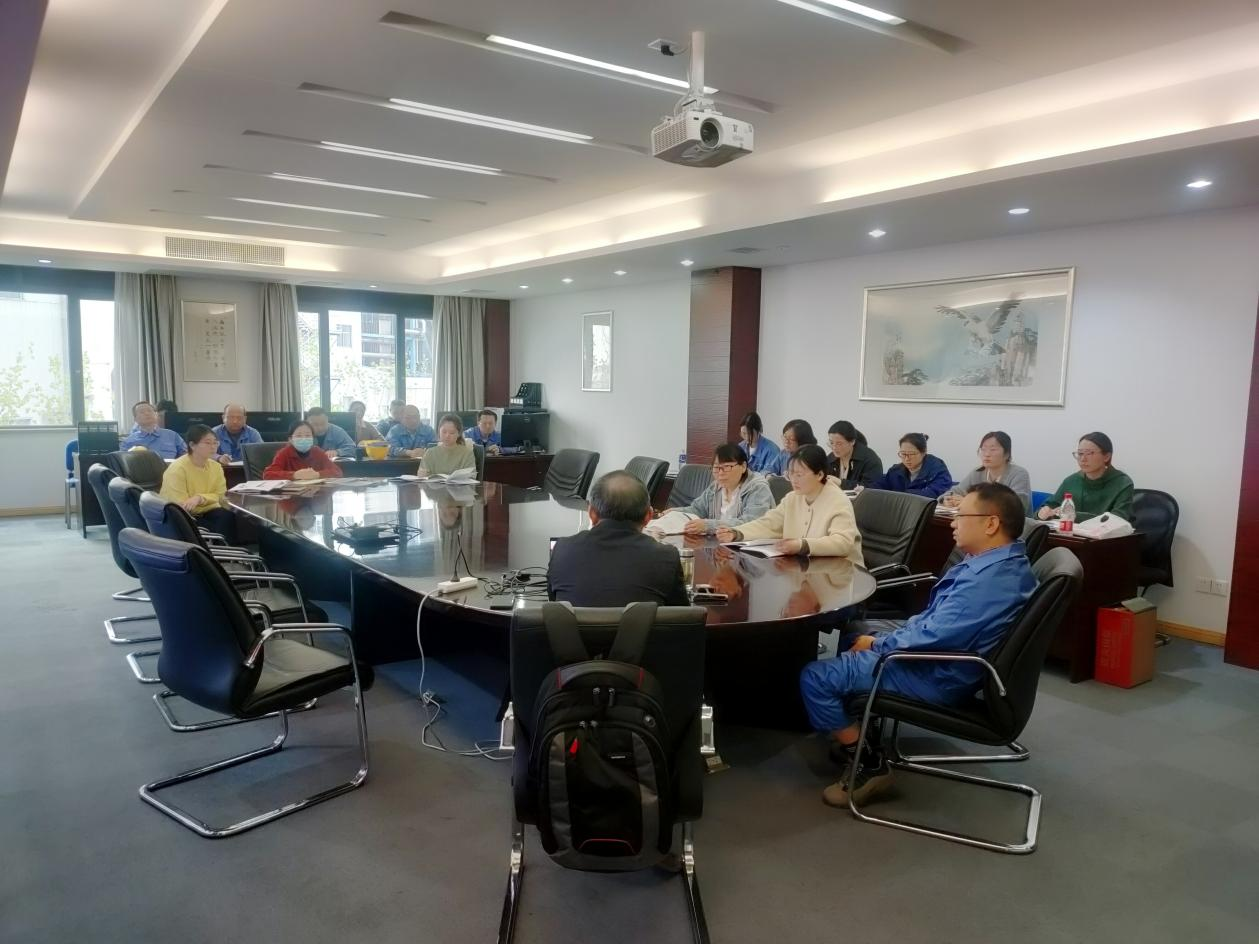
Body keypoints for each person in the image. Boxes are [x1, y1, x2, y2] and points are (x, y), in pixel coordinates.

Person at [799, 482, 1036, 807]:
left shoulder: (990, 582)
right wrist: (877, 640)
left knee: (815, 677)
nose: (953, 522)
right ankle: (855, 729)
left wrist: (878, 644)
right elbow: (940, 625)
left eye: (961, 515)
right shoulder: (1000, 563)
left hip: (935, 673)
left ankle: (870, 764)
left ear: (991, 524)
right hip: (941, 658)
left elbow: (934, 636)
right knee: (847, 640)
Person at [548, 471, 690, 606]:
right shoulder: (666, 556)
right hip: (640, 625)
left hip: (573, 625)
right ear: (648, 516)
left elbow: (554, 604)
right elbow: (682, 616)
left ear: (591, 513)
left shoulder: (562, 549)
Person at [716, 444, 863, 563]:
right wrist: (737, 533)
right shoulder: (793, 498)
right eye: (790, 473)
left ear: (819, 474)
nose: (793, 480)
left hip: (840, 576)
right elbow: (769, 524)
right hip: (805, 570)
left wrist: (802, 545)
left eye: (799, 474)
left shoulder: (838, 500)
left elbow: (842, 542)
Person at [671, 443, 775, 535]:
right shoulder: (716, 487)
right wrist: (674, 512)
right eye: (716, 468)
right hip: (719, 544)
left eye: (727, 467)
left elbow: (751, 522)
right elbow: (697, 509)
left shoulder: (757, 488)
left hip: (749, 547)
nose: (720, 473)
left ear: (743, 467)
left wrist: (708, 526)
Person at [159, 424, 236, 541]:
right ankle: (209, 552)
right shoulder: (177, 468)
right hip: (182, 515)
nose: (213, 447)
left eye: (215, 443)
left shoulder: (216, 467)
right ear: (192, 445)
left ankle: (228, 551)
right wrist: (208, 500)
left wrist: (200, 498)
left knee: (227, 516)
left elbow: (221, 496)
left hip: (206, 510)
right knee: (210, 527)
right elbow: (182, 506)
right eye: (207, 443)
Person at [1037, 431, 1134, 522]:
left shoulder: (1123, 483)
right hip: (1069, 534)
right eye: (1080, 453)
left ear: (1106, 457)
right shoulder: (1071, 481)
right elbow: (1049, 506)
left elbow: (1118, 519)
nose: (1083, 459)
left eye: (1089, 453)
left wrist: (1075, 516)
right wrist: (1041, 514)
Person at [943, 431, 1032, 513]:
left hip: (1013, 523)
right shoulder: (977, 472)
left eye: (993, 450)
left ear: (1007, 454)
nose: (987, 454)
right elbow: (955, 491)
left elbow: (1016, 507)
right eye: (983, 449)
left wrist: (968, 502)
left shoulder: (1019, 474)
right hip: (980, 522)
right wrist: (947, 499)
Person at [871, 433, 952, 498]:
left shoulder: (937, 469)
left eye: (911, 454)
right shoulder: (895, 471)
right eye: (903, 454)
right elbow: (879, 486)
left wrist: (902, 495)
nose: (907, 459)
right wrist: (866, 489)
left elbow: (935, 492)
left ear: (923, 452)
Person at [263, 420, 343, 480]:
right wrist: (294, 475)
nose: (304, 438)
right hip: (291, 495)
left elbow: (337, 472)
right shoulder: (284, 453)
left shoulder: (317, 452)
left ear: (313, 439)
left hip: (315, 493)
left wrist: (317, 474)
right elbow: (267, 474)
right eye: (299, 436)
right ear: (290, 439)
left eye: (308, 435)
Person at [826, 421, 883, 489]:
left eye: (839, 444)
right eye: (831, 443)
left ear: (852, 442)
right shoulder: (831, 458)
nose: (834, 448)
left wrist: (841, 483)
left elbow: (872, 488)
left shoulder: (871, 460)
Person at [120, 400, 187, 458]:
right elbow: (123, 463)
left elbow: (187, 455)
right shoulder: (128, 442)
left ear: (156, 414)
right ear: (135, 419)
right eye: (142, 412)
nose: (147, 413)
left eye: (149, 411)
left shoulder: (172, 435)